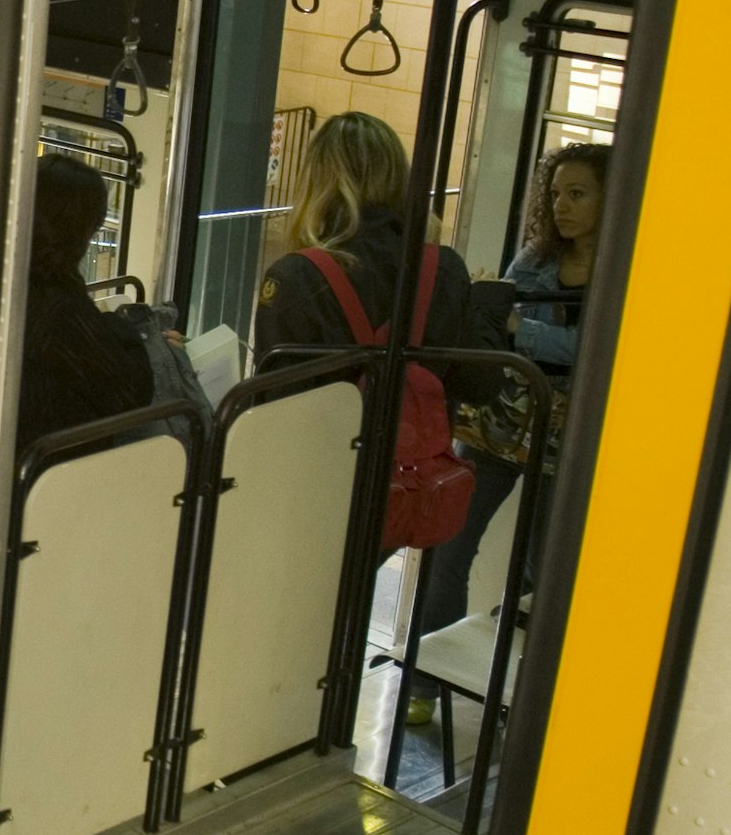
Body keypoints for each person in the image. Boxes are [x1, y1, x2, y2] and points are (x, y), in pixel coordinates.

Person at [255, 111, 483, 641]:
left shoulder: (297, 275)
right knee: (344, 615)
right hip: (401, 483)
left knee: (296, 625)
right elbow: (477, 382)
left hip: (319, 485)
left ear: (318, 179)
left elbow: (279, 407)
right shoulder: (442, 267)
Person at [426, 142, 611, 635]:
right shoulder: (536, 257)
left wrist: (520, 329)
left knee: (544, 565)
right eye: (554, 195)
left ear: (612, 199)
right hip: (501, 420)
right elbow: (494, 319)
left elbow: (601, 349)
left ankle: (518, 687)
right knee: (450, 544)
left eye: (577, 194)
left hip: (572, 435)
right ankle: (426, 676)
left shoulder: (627, 271)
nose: (561, 207)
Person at [16, 152, 159, 450]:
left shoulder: (4, 278)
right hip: (52, 466)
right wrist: (138, 337)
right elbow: (130, 393)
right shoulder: (56, 308)